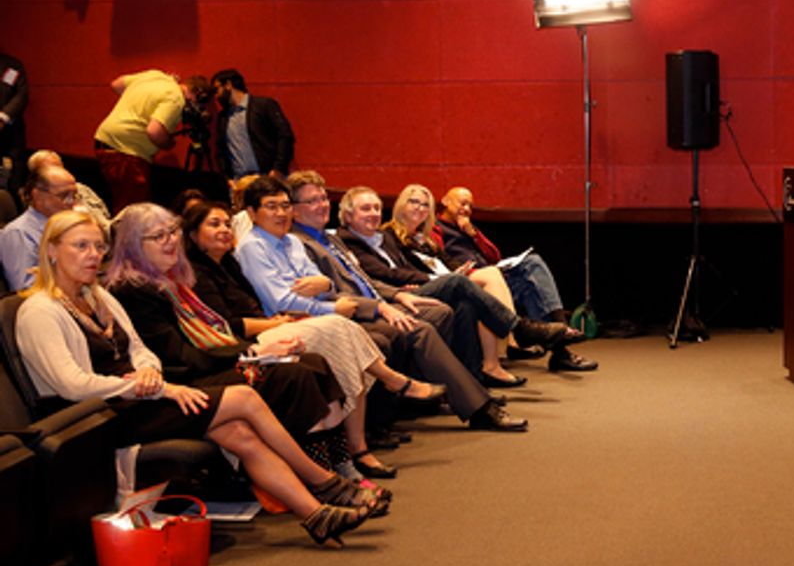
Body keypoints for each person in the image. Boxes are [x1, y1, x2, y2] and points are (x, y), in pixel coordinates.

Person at [16, 210, 381, 546]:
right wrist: (158, 385)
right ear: (50, 250)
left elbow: (142, 351)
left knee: (238, 432)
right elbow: (73, 385)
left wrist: (148, 371)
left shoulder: (97, 298)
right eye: (81, 246)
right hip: (100, 417)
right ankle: (325, 482)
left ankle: (316, 515)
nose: (93, 255)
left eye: (98, 246)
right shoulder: (40, 310)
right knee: (244, 397)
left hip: (141, 397)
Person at [233, 175, 528, 432]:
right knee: (426, 320)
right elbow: (288, 299)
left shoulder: (306, 241)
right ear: (253, 212)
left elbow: (329, 283)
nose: (322, 205)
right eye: (310, 202)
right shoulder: (278, 243)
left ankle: (466, 391)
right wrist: (369, 305)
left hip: (365, 302)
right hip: (324, 317)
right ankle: (480, 400)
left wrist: (389, 295)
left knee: (457, 306)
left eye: (323, 198)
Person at [184, 199, 444, 478]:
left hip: (278, 323)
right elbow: (229, 325)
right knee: (340, 327)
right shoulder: (201, 270)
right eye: (214, 224)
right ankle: (388, 393)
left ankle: (356, 449)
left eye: (226, 223)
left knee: (345, 339)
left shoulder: (228, 264)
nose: (224, 229)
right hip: (254, 339)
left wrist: (324, 285)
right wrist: (276, 321)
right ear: (193, 234)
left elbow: (320, 283)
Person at [339, 184, 586, 385]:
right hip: (411, 291)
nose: (420, 208)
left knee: (527, 267)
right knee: (483, 278)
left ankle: (496, 363)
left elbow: (481, 257)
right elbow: (390, 272)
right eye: (414, 202)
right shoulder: (388, 234)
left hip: (443, 281)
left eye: (425, 204)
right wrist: (429, 281)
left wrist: (470, 242)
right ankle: (516, 333)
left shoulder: (419, 238)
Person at [434, 185, 596, 372]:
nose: (467, 210)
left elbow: (494, 256)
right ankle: (560, 348)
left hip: (494, 278)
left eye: (470, 206)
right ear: (446, 201)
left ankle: (559, 329)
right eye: (463, 203)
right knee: (526, 285)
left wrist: (474, 235)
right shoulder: (435, 229)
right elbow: (440, 264)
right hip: (472, 283)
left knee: (533, 265)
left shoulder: (468, 228)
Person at [93, 70, 202, 210]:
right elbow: (154, 132)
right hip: (127, 153)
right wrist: (169, 143)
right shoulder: (176, 98)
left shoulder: (156, 76)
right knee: (133, 209)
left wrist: (139, 104)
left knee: (122, 203)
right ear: (195, 93)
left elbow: (116, 84)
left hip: (104, 141)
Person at [0, 165, 78, 290]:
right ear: (37, 196)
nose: (71, 202)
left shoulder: (69, 226)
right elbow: (25, 287)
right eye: (63, 196)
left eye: (74, 195)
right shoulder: (19, 233)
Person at [211, 68, 295, 178]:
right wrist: (227, 178)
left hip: (268, 177)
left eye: (216, 90)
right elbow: (221, 150)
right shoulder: (223, 117)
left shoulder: (264, 106)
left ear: (228, 84)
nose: (216, 96)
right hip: (239, 182)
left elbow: (285, 136)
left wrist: (278, 169)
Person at [25, 150, 112, 227]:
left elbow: (106, 214)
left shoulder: (82, 188)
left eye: (58, 167)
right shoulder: (39, 197)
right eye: (49, 170)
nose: (71, 201)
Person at [1, 51, 28, 193]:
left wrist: (3, 117)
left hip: (10, 136)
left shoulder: (10, 66)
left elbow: (21, 95)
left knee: (13, 184)